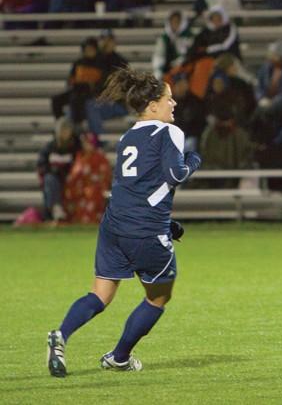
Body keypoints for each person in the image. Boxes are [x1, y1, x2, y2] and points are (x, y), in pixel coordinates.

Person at [46, 67, 202, 377]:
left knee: (99, 295)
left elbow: (138, 187)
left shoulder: (128, 136)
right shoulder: (169, 131)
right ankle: (119, 357)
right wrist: (195, 159)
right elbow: (176, 175)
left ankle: (61, 335)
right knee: (158, 296)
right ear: (153, 104)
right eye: (169, 99)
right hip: (144, 228)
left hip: (114, 224)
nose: (174, 105)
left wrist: (166, 222)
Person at [85, 30, 132, 135]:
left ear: (114, 42)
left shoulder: (121, 62)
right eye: (103, 40)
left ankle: (98, 141)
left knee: (91, 107)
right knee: (75, 110)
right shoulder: (95, 60)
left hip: (118, 104)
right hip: (100, 103)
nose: (106, 43)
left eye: (109, 40)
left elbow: (123, 88)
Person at [251, 41, 282, 143]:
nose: (270, 57)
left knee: (264, 114)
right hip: (266, 102)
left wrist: (272, 103)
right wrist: (261, 99)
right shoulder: (266, 67)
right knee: (258, 114)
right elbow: (259, 85)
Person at [51, 37, 105, 124]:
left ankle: (77, 125)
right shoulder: (78, 63)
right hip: (76, 89)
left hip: (90, 92)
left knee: (75, 100)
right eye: (87, 49)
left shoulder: (100, 64)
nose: (89, 51)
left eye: (91, 49)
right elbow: (70, 79)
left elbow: (101, 82)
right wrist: (73, 83)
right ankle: (61, 123)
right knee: (56, 99)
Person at [63, 132, 113, 224]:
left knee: (93, 193)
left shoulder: (100, 158)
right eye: (84, 143)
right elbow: (73, 177)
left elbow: (104, 178)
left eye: (87, 142)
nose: (84, 145)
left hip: (95, 191)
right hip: (80, 192)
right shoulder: (80, 156)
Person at [37, 118, 79, 222]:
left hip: (72, 177)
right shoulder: (49, 147)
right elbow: (42, 164)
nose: (65, 133)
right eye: (62, 130)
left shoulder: (76, 146)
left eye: (67, 130)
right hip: (54, 177)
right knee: (50, 180)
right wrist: (52, 170)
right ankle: (56, 209)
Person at [152, 11, 194, 80]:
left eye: (177, 21)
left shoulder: (189, 37)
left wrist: (179, 63)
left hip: (184, 69)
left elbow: (189, 54)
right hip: (168, 70)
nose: (175, 24)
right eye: (172, 21)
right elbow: (158, 55)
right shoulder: (164, 38)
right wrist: (158, 71)